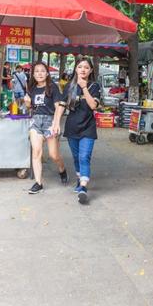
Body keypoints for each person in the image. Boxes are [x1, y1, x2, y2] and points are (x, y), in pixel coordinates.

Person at [53, 56, 101, 205]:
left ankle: (83, 189)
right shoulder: (69, 86)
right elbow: (61, 105)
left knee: (84, 156)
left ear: (91, 70)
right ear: (76, 69)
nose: (83, 70)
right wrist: (56, 123)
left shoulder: (94, 86)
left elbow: (93, 105)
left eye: (86, 67)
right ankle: (80, 180)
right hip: (72, 127)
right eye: (80, 67)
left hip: (88, 127)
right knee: (76, 157)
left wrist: (84, 87)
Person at [23, 62, 68, 194]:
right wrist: (27, 104)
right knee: (36, 152)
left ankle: (62, 169)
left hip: (50, 121)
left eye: (42, 71)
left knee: (54, 155)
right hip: (35, 122)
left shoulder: (52, 87)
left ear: (47, 73)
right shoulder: (31, 88)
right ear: (33, 74)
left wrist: (56, 123)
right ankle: (38, 183)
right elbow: (30, 108)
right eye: (37, 71)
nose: (39, 73)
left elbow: (57, 107)